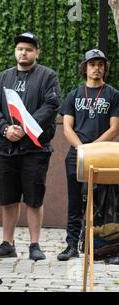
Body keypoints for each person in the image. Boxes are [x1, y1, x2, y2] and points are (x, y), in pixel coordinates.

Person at [0, 32, 61, 261]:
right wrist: (4, 129)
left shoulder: (48, 76)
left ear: (36, 52)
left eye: (29, 49)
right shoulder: (2, 78)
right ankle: (7, 243)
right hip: (6, 148)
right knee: (8, 197)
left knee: (33, 197)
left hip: (35, 149)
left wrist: (25, 127)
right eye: (20, 48)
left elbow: (51, 105)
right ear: (15, 51)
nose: (24, 52)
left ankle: (34, 244)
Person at [57, 49, 119, 261]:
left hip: (103, 155)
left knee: (105, 204)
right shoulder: (74, 94)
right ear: (85, 68)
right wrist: (82, 148)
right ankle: (72, 246)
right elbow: (66, 127)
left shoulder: (113, 94)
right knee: (75, 202)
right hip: (77, 155)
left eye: (100, 64)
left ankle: (106, 250)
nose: (96, 68)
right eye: (92, 64)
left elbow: (114, 128)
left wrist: (93, 148)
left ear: (105, 68)